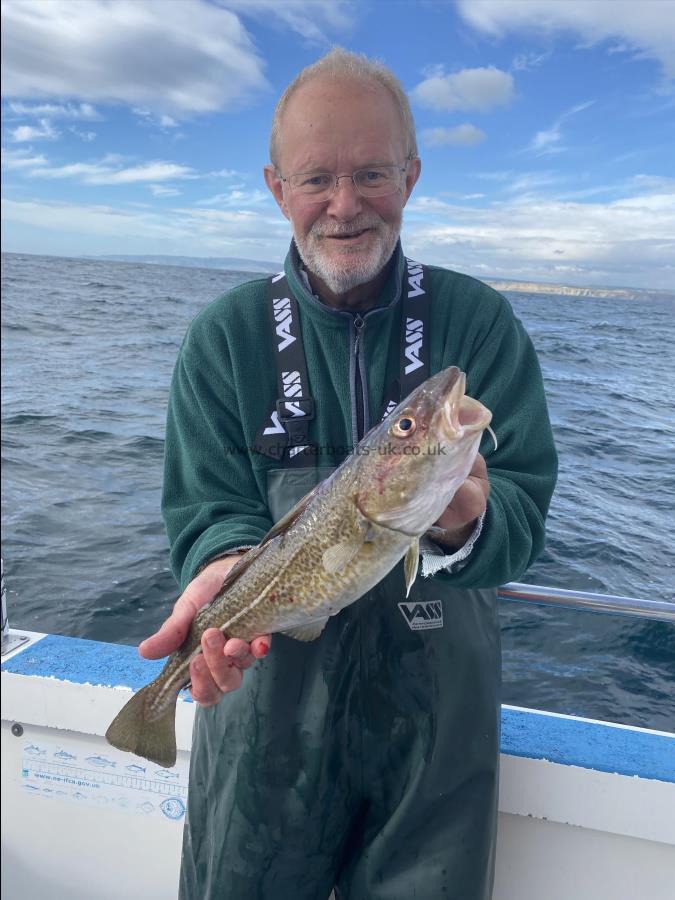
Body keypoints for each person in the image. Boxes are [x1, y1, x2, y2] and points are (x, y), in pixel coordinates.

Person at [140, 48, 557, 900]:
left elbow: (524, 511)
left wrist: (458, 516)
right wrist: (224, 570)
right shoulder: (223, 338)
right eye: (315, 179)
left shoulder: (478, 321)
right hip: (266, 712)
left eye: (371, 173)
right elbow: (208, 510)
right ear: (274, 185)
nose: (343, 206)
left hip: (436, 729)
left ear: (409, 175)